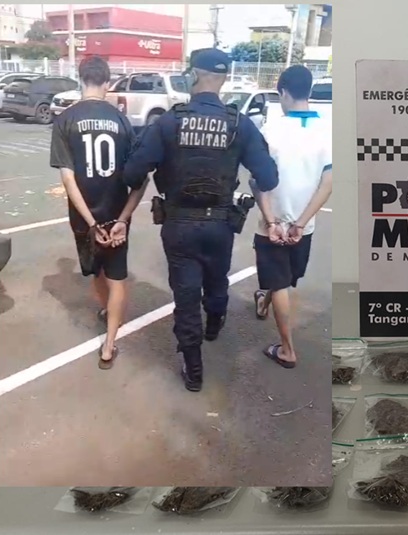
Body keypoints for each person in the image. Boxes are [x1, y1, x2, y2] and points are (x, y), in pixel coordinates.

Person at [122, 48, 279, 392]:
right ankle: (215, 322)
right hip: (221, 224)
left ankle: (193, 369)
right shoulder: (239, 123)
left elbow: (133, 173)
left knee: (186, 295)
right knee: (217, 278)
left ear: (193, 75)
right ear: (223, 79)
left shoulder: (169, 122)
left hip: (179, 224)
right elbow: (268, 178)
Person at [49, 55, 147, 370]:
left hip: (84, 219)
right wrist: (122, 218)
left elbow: (68, 179)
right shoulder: (121, 120)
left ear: (81, 79)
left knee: (96, 271)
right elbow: (139, 177)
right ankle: (109, 345)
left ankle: (107, 310)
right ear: (107, 82)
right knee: (117, 277)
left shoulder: (65, 119)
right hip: (116, 215)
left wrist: (91, 223)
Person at [252, 65, 333, 368]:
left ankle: (287, 349)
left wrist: (272, 221)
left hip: (271, 225)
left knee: (279, 283)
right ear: (309, 90)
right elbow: (328, 183)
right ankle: (264, 303)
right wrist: (300, 223)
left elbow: (259, 182)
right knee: (283, 278)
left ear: (283, 92)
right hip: (304, 227)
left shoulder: (271, 131)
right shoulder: (328, 131)